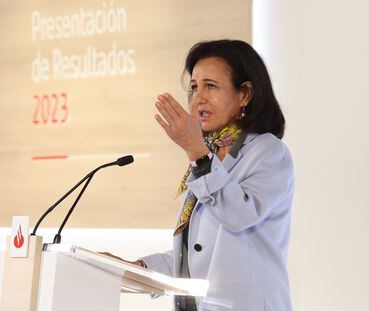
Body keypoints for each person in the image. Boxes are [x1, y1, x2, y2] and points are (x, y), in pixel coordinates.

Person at [108, 39, 295, 311]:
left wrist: (196, 151)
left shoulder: (269, 152)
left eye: (211, 86)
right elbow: (198, 253)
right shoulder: (209, 152)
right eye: (195, 87)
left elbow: (238, 215)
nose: (198, 99)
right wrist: (138, 268)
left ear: (245, 93)